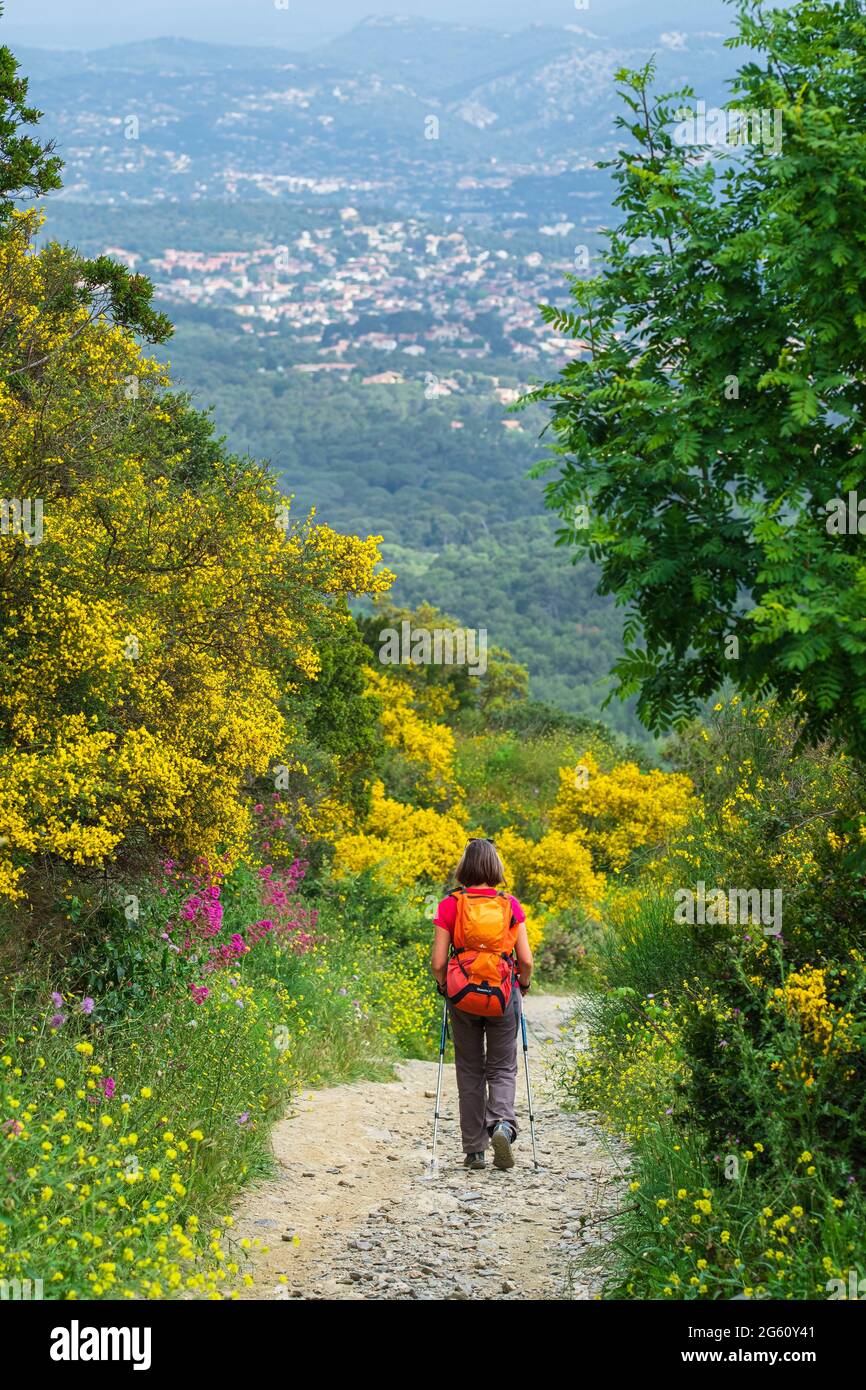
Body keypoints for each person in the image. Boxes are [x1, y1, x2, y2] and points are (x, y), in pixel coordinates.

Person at [429, 837, 533, 1170]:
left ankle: (475, 1150)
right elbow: (526, 961)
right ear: (495, 867)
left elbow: (437, 961)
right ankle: (502, 1124)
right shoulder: (509, 904)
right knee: (503, 1067)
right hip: (503, 993)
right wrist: (524, 985)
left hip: (463, 996)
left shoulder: (450, 904)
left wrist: (446, 987)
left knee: (470, 1069)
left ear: (465, 867)